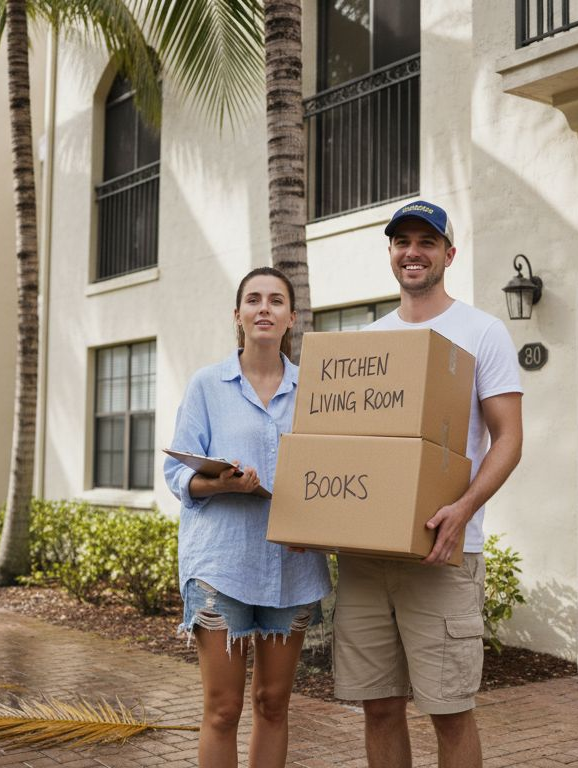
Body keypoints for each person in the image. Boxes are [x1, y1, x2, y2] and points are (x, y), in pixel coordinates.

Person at [333, 201, 524, 767]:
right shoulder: (370, 339)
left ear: (448, 253)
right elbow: (350, 445)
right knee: (379, 707)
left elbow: (508, 439)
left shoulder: (481, 331)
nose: (412, 252)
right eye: (402, 242)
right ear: (390, 253)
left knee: (448, 710)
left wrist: (463, 509)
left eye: (426, 241)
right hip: (368, 556)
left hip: (442, 552)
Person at [164, 266, 332, 768]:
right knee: (222, 709)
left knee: (273, 704)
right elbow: (177, 474)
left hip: (293, 569)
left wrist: (320, 523)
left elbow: (334, 476)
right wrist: (220, 483)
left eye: (276, 301)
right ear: (237, 315)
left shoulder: (316, 393)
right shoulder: (206, 385)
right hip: (221, 567)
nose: (264, 308)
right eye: (253, 300)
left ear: (292, 318)